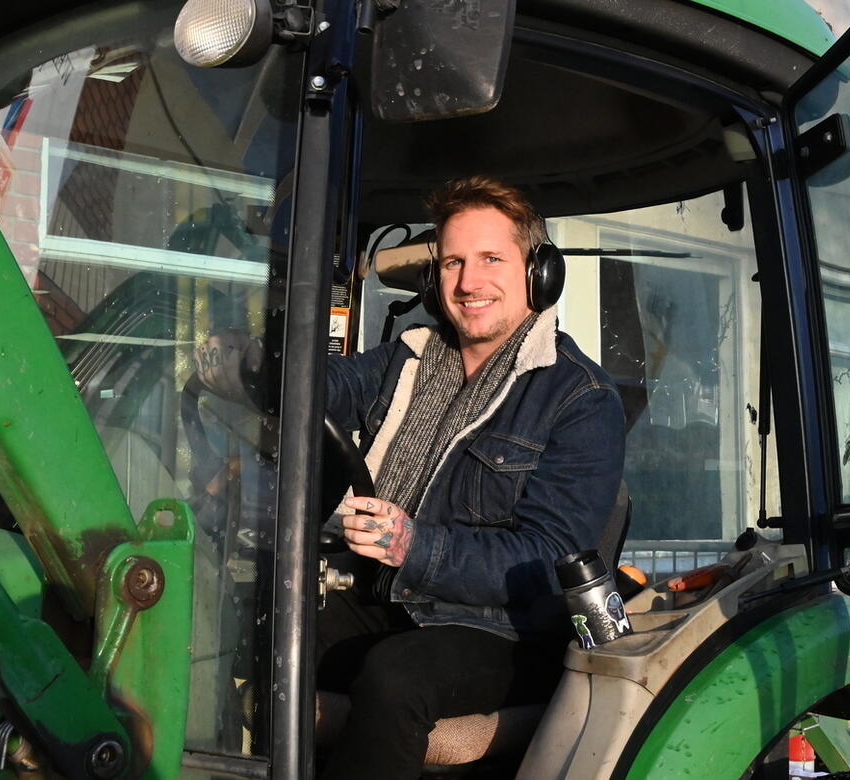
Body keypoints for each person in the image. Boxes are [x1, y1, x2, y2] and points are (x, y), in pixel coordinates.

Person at [198, 176, 625, 778]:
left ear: (538, 273)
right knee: (257, 627)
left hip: (508, 629)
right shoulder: (411, 356)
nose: (468, 283)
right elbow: (328, 387)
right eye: (453, 262)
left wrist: (414, 545)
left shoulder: (580, 398)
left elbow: (549, 557)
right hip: (391, 597)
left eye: (490, 260)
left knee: (396, 680)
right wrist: (253, 361)